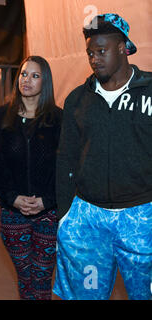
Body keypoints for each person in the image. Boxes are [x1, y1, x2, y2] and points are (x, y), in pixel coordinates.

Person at [53, 13, 152, 300]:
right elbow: (66, 158)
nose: (94, 58)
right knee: (86, 295)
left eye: (101, 51)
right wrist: (64, 215)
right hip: (88, 218)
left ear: (123, 48)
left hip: (142, 217)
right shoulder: (77, 99)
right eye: (90, 53)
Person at [0, 56, 62, 300]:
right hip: (13, 213)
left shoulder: (59, 120)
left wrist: (48, 200)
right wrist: (12, 198)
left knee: (41, 278)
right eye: (23, 74)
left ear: (46, 81)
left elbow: (66, 168)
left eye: (35, 75)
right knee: (25, 275)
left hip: (49, 213)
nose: (26, 80)